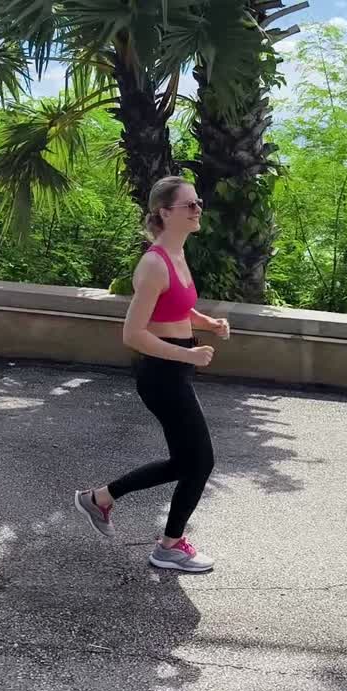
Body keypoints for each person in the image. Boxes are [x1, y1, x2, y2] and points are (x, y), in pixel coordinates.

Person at [74, 175, 230, 573]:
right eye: (189, 205)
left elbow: (176, 307)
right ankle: (170, 545)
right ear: (165, 212)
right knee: (201, 462)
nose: (198, 210)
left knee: (186, 462)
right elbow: (133, 334)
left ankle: (101, 499)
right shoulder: (153, 264)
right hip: (162, 374)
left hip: (175, 368)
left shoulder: (178, 254)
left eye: (198, 203)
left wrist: (207, 322)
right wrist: (189, 356)